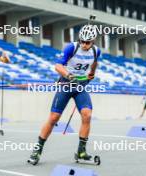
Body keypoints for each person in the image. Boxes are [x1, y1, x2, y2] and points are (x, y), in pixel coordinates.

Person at [28, 24, 101, 164]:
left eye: (88, 42)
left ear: (93, 42)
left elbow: (94, 63)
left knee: (87, 115)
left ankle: (81, 151)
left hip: (80, 86)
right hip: (66, 84)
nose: (84, 45)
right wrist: (69, 76)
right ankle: (37, 150)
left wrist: (91, 74)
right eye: (82, 41)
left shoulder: (96, 51)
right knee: (54, 118)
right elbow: (57, 66)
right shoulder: (72, 48)